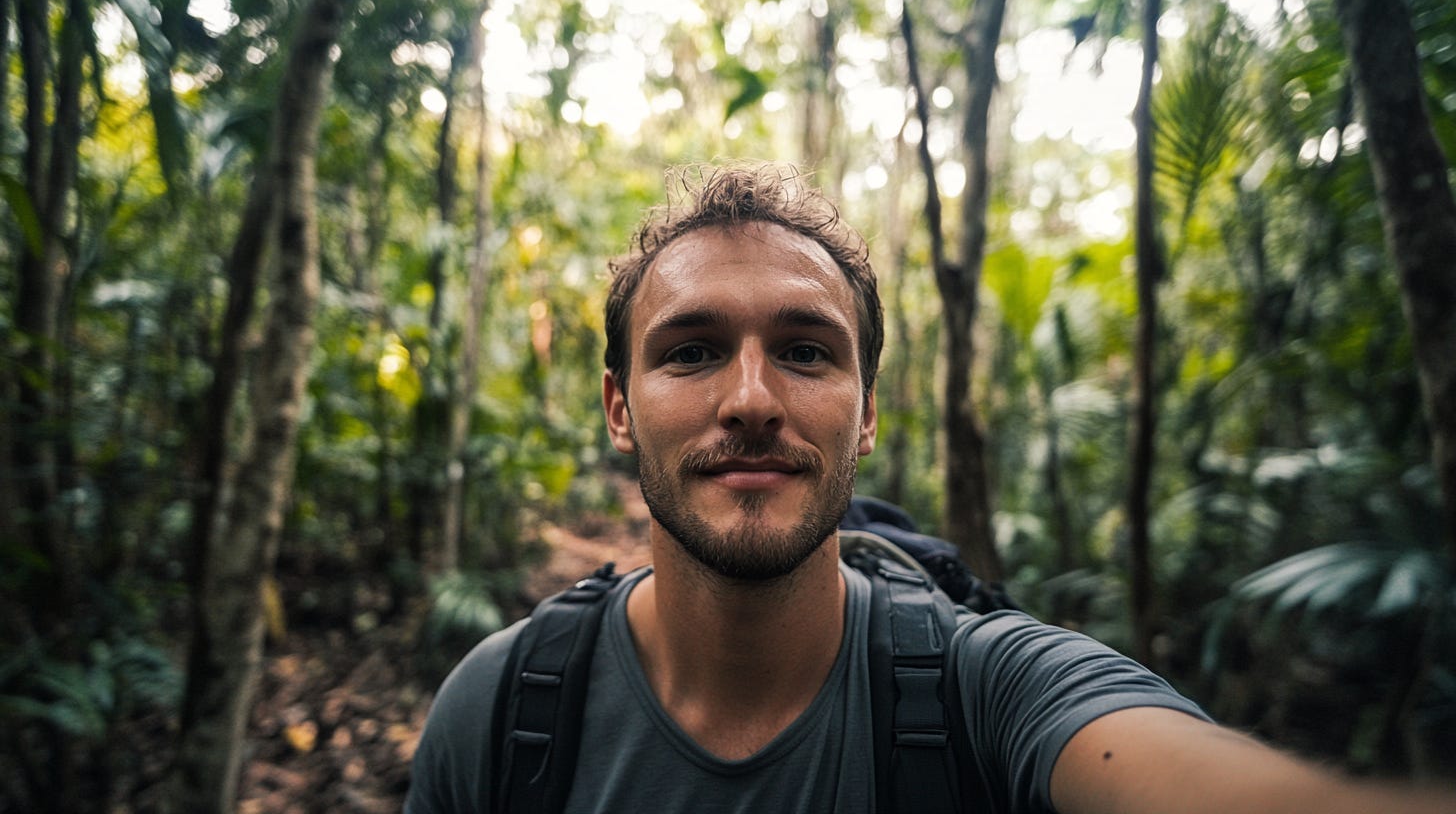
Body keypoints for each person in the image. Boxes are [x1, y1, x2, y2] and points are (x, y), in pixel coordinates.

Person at [405, 162, 1453, 813]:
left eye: (808, 353)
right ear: (619, 407)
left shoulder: (982, 691)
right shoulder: (500, 714)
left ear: (866, 413)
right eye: (690, 352)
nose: (752, 399)